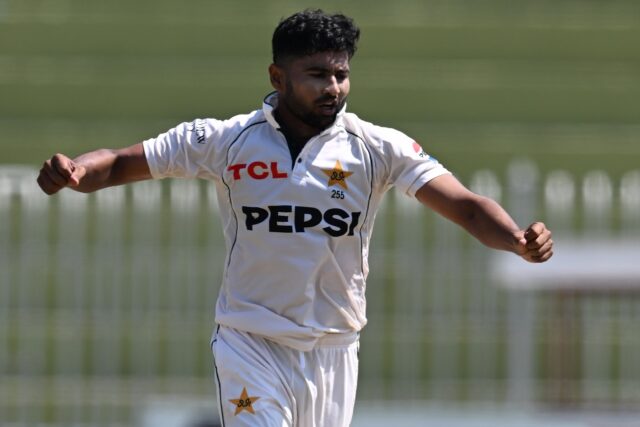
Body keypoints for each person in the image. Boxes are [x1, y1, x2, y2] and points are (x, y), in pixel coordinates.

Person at [37, 9, 553, 427]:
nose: (333, 87)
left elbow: (462, 203)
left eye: (341, 74)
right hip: (250, 341)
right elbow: (126, 162)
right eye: (317, 75)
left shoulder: (375, 147)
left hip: (334, 350)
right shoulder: (226, 139)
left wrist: (514, 238)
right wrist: (77, 172)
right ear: (277, 77)